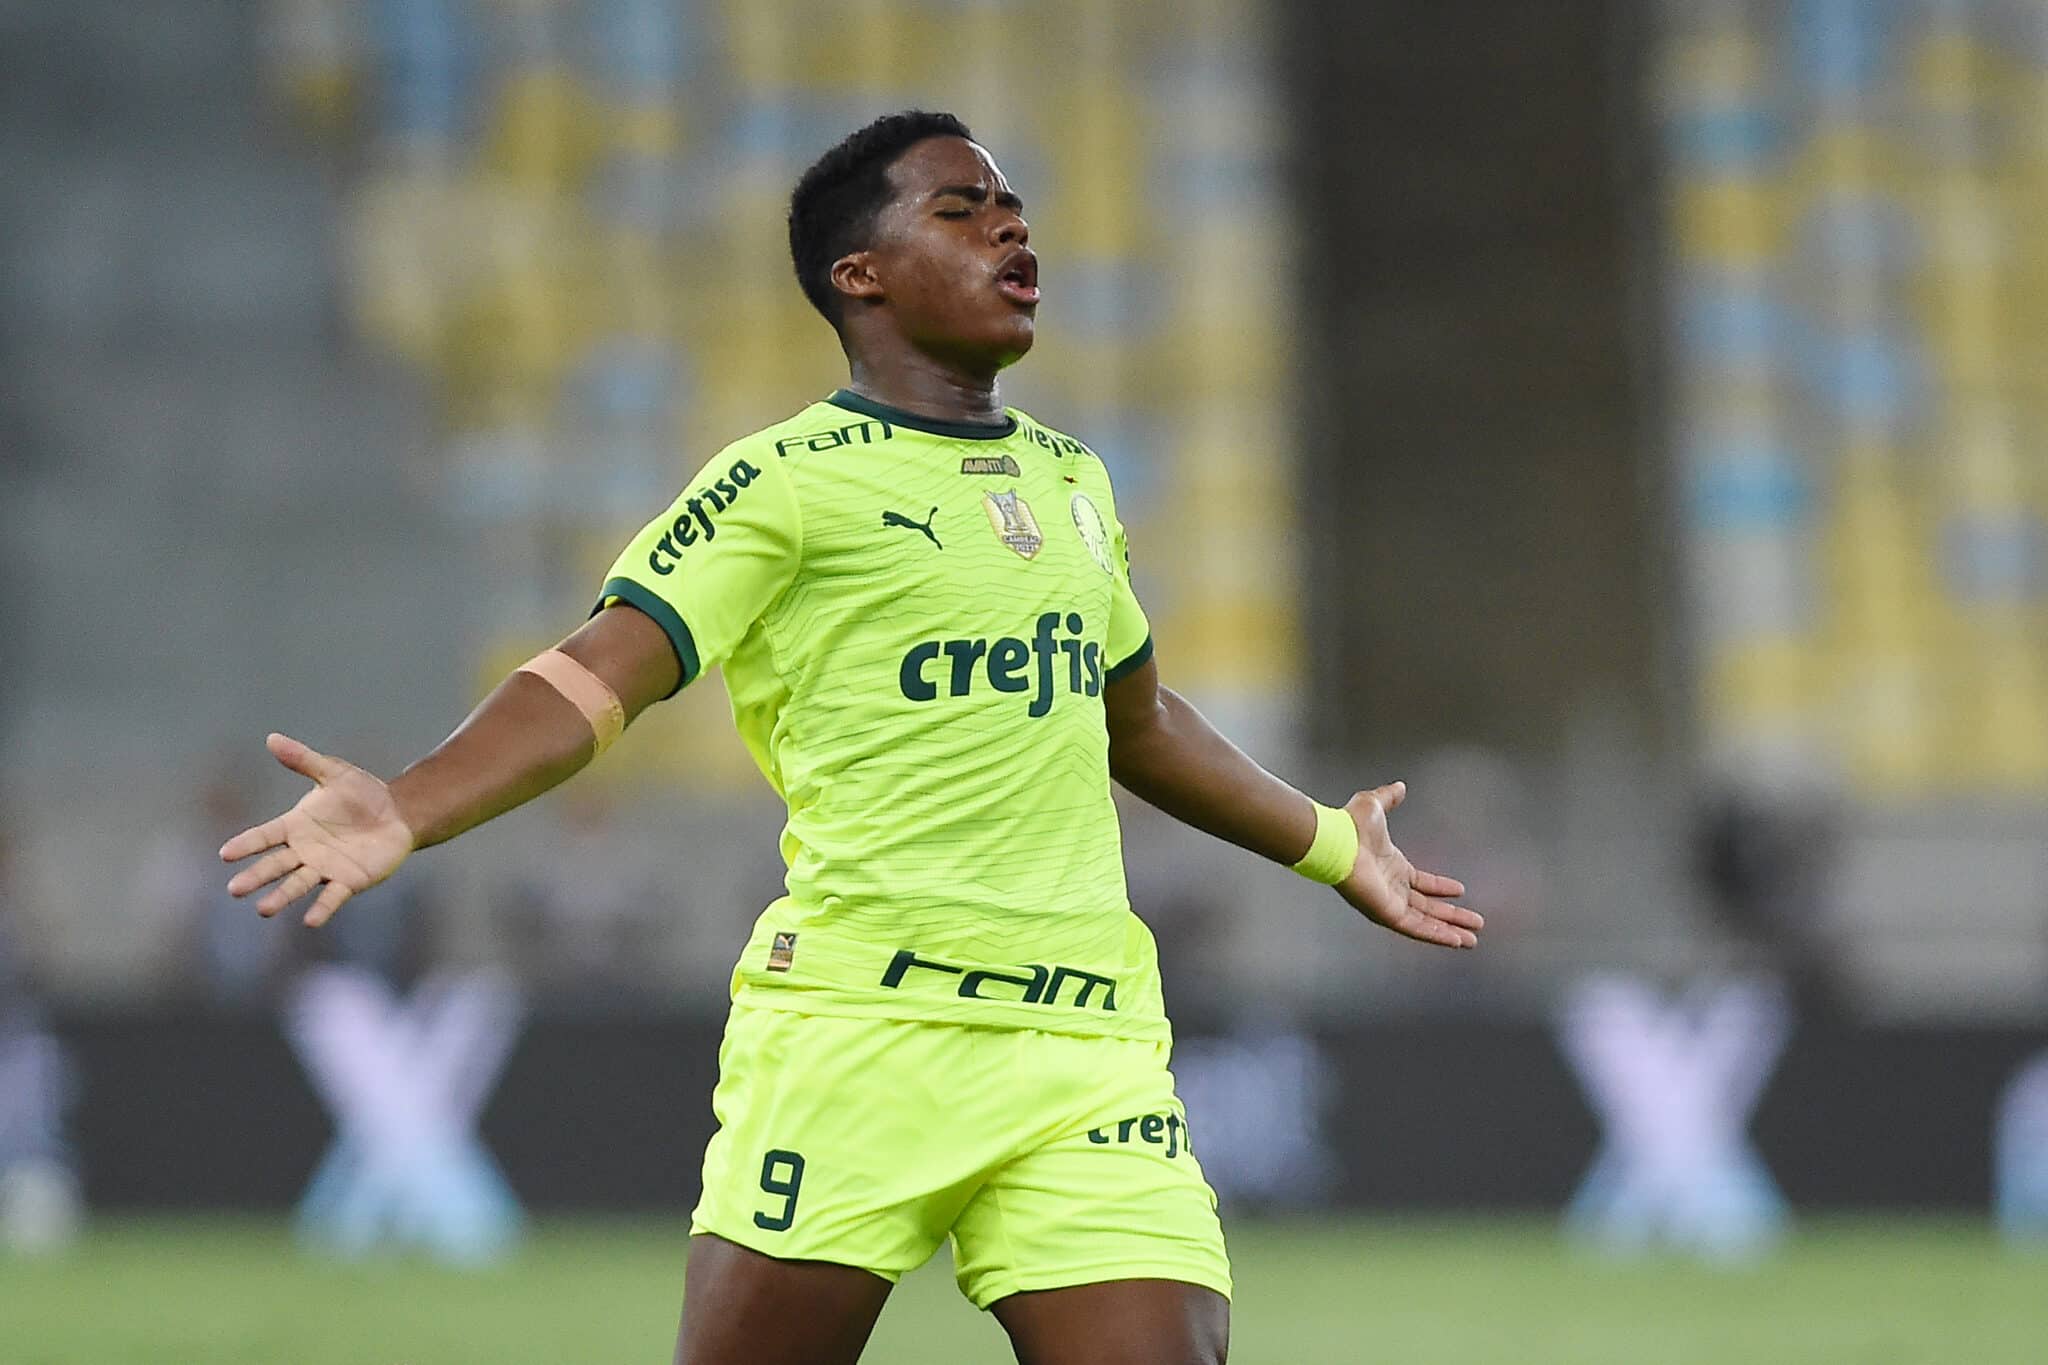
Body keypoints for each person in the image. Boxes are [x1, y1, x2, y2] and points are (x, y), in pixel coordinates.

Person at [221, 110, 1482, 1365]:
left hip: (1085, 1046)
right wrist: (408, 805)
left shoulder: (1073, 481)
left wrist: (1331, 846)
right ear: (859, 274)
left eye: (1013, 209)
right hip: (862, 1037)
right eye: (960, 210)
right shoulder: (782, 481)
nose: (1009, 228)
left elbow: (1136, 722)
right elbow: (593, 675)